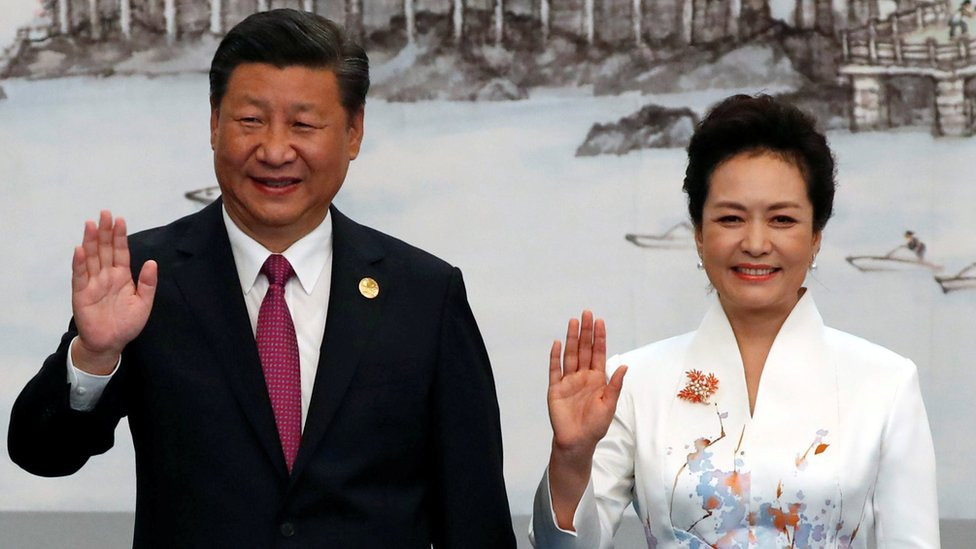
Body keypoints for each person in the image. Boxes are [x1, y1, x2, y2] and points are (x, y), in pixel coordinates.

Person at [8, 10, 516, 548]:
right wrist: (93, 356)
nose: (275, 151)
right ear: (213, 124)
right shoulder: (144, 278)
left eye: (303, 124)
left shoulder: (424, 293)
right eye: (250, 120)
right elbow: (41, 454)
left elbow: (474, 515)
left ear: (353, 131)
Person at [530, 95, 939, 547]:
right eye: (731, 218)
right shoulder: (634, 383)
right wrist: (570, 458)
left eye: (783, 219)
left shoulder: (886, 384)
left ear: (816, 236)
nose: (756, 242)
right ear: (700, 236)